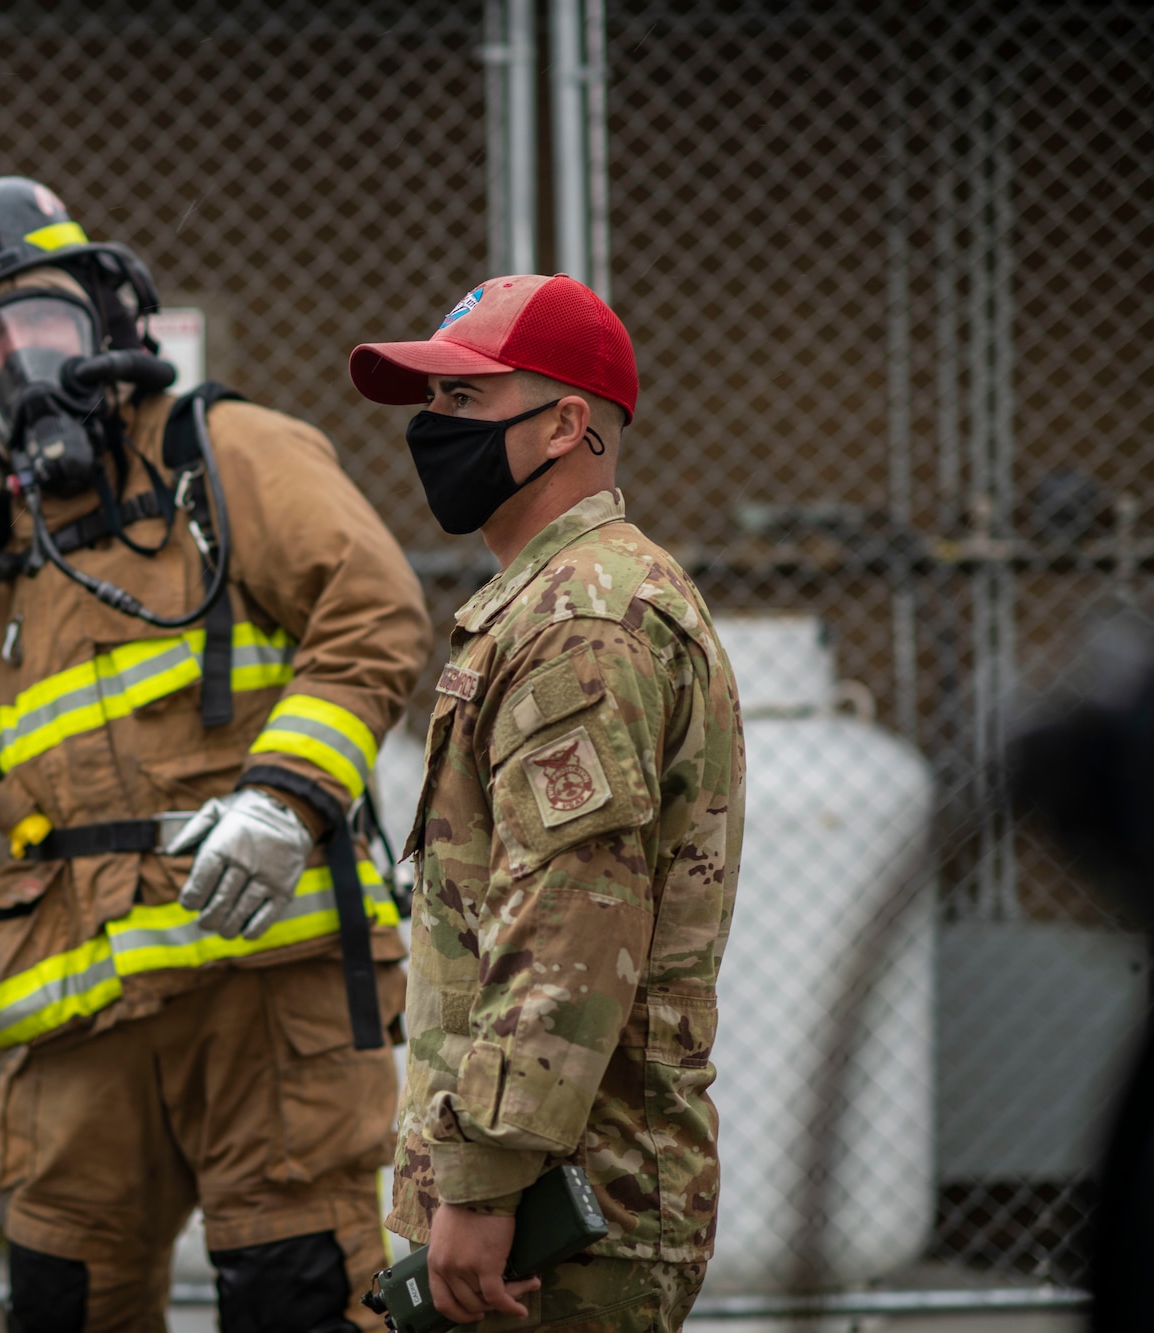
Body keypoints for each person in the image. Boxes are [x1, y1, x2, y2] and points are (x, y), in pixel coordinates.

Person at [0, 175, 433, 1330]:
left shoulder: (227, 451)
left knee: (297, 1303)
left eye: (36, 324)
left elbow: (372, 608)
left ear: (109, 316)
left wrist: (282, 800)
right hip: (81, 1023)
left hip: (267, 999)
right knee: (64, 1308)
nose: (16, 364)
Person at [348, 274, 744, 1329]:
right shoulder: (545, 605)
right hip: (540, 1181)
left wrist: (479, 1179)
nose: (433, 430)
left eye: (463, 404)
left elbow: (568, 918)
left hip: (569, 1200)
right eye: (429, 405)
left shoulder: (583, 621)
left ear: (566, 423)